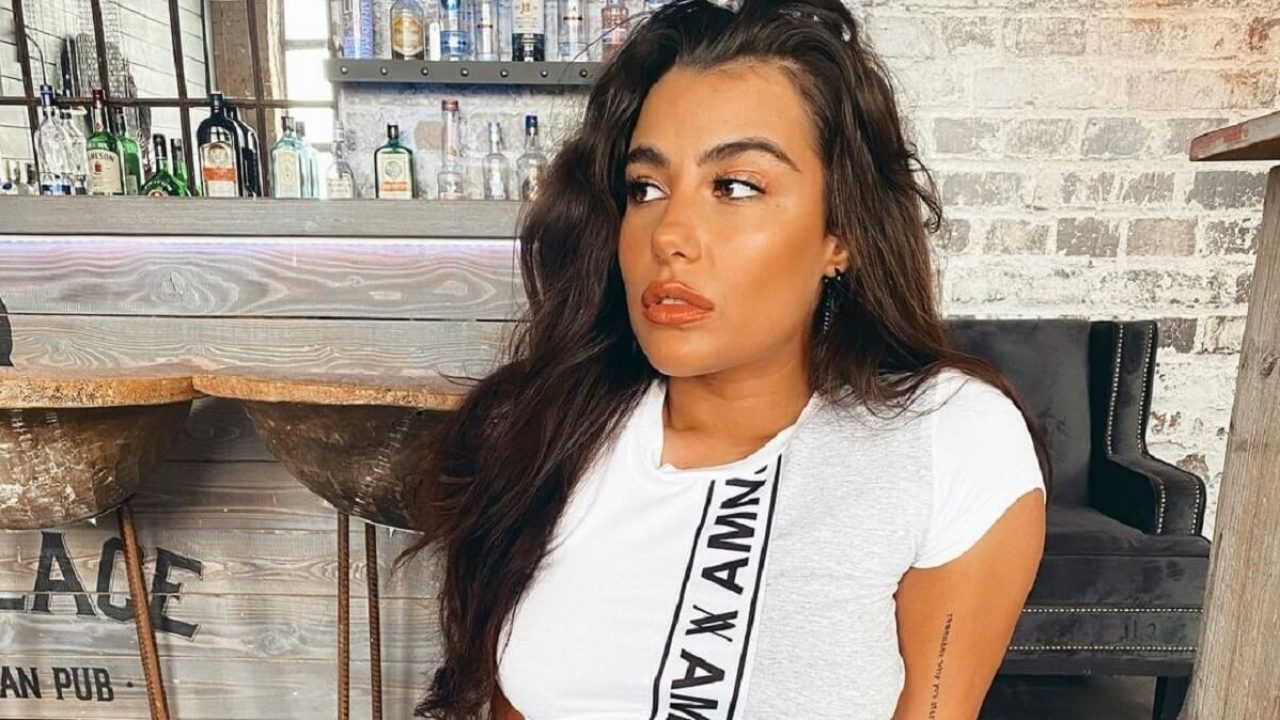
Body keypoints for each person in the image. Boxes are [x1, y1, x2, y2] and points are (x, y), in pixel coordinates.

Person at [395, 0, 1050, 718]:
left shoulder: (947, 440)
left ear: (840, 234)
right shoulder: (547, 432)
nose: (670, 234)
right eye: (646, 188)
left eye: (736, 186)